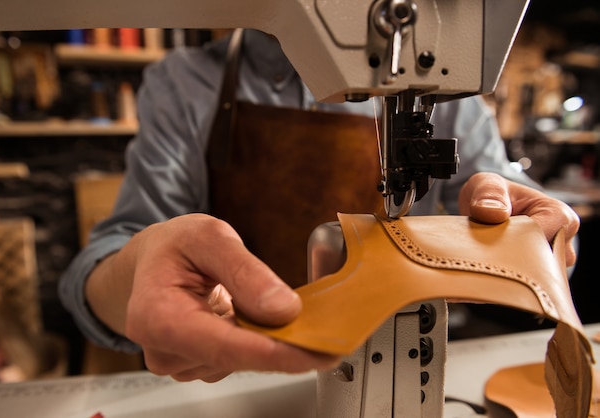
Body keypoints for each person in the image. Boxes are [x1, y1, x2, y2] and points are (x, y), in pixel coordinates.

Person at [59, 29, 580, 383]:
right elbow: (102, 263)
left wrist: (528, 232)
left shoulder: (445, 88)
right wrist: (135, 274)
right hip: (235, 377)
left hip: (409, 363)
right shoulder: (185, 82)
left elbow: (497, 196)